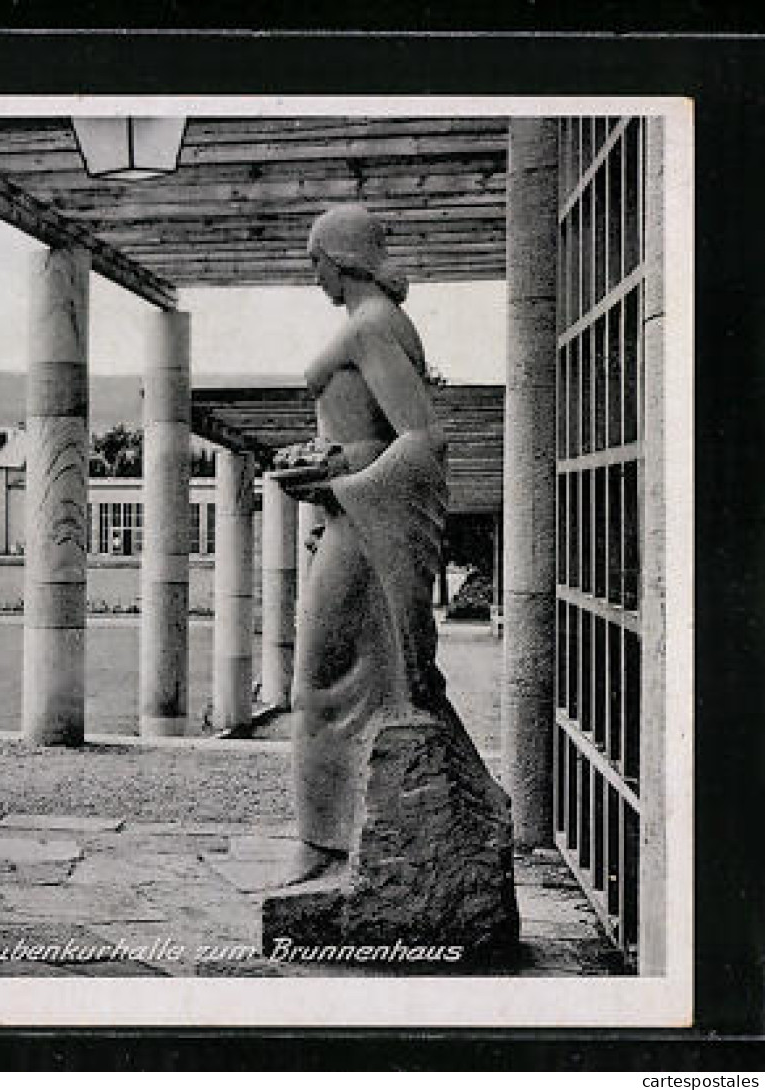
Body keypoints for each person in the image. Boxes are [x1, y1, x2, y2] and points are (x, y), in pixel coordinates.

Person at [275, 203, 466, 886]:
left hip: (361, 520)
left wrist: (344, 479)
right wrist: (326, 466)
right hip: (346, 513)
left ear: (341, 255)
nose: (313, 274)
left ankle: (324, 845)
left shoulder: (372, 325)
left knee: (318, 680)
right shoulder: (371, 323)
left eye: (315, 259)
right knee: (334, 677)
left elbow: (420, 437)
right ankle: (334, 839)